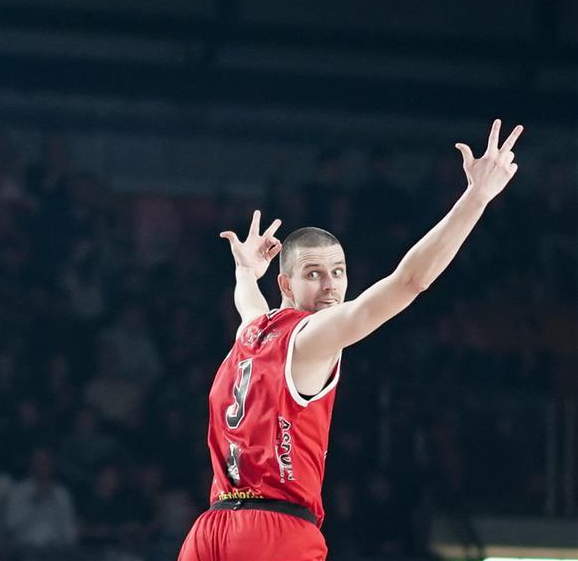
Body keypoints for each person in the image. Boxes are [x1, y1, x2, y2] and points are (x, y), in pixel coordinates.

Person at [177, 119, 523, 561]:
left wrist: (245, 272)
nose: (330, 287)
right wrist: (476, 198)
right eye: (314, 274)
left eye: (337, 273)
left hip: (209, 532)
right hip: (272, 531)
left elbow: (248, 300)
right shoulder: (312, 336)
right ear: (286, 285)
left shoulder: (252, 330)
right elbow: (409, 282)